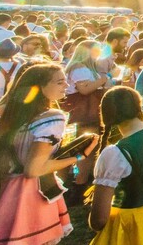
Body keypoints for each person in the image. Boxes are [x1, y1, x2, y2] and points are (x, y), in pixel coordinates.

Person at [0, 63, 99, 245]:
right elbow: (34, 169)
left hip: (5, 187)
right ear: (39, 87)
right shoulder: (52, 117)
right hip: (31, 194)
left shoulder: (11, 114)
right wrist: (77, 157)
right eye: (60, 82)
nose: (66, 86)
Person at [88, 86, 143, 244]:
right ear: (138, 106)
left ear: (106, 116)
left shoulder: (115, 153)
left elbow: (98, 220)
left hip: (130, 228)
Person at [63, 39, 110, 189]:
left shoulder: (84, 67)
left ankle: (79, 180)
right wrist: (103, 79)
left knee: (85, 147)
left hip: (85, 113)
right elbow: (84, 90)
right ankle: (79, 183)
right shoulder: (80, 68)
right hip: (84, 114)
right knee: (85, 147)